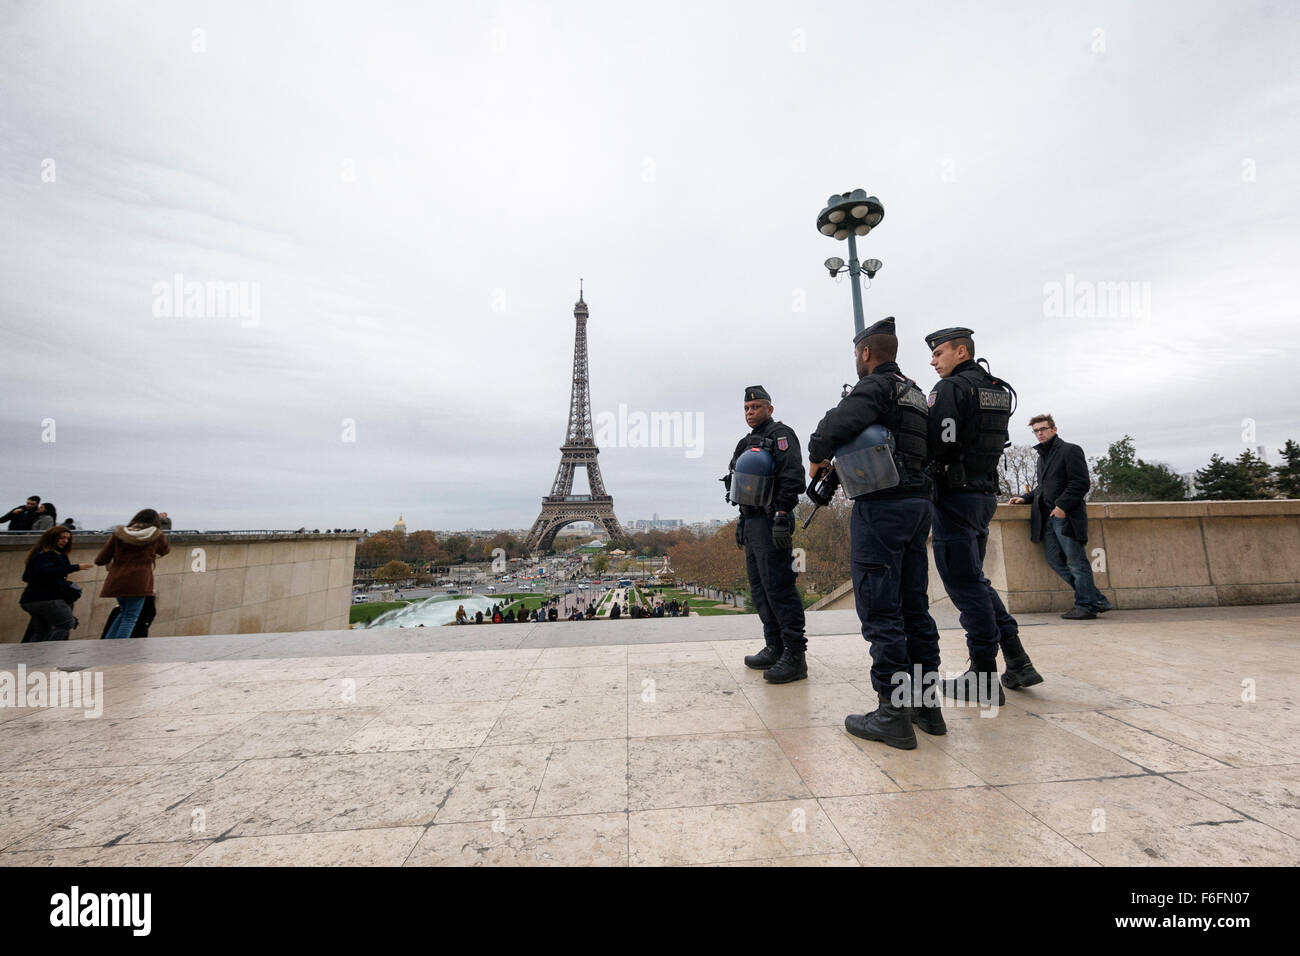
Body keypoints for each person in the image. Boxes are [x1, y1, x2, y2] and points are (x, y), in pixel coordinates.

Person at [809, 317, 944, 749]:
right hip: (918, 504)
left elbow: (835, 426)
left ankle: (891, 714)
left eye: (856, 354)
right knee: (914, 609)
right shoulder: (917, 392)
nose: (856, 360)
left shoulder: (877, 387)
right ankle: (925, 707)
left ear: (866, 353)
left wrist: (816, 453)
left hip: (882, 504)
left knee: (881, 612)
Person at [924, 327, 1032, 704]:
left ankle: (983, 677)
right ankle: (1017, 659)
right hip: (984, 493)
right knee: (976, 582)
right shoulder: (996, 388)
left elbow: (941, 440)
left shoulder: (951, 389)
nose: (933, 361)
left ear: (961, 351)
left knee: (965, 587)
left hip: (955, 495)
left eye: (939, 353)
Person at [727, 385, 808, 683]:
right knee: (759, 587)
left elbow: (792, 478)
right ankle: (774, 646)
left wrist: (783, 515)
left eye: (756, 407)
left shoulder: (782, 436)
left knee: (780, 587)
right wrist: (741, 520)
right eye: (747, 409)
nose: (751, 413)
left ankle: (795, 654)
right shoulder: (744, 443)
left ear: (770, 409)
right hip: (751, 522)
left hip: (772, 519)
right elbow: (739, 485)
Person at [1011, 414, 1111, 623]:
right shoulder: (1042, 457)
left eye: (1043, 429)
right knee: (1055, 560)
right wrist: (1025, 498)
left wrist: (1062, 507)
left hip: (1066, 516)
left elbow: (1080, 483)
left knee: (1076, 562)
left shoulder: (1070, 450)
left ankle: (1086, 606)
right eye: (1036, 430)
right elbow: (1043, 487)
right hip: (1046, 517)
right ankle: (1095, 599)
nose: (1040, 433)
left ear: (1054, 429)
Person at [95, 509, 170, 640]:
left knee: (124, 613)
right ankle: (119, 649)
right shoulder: (156, 535)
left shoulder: (119, 534)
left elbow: (100, 559)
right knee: (131, 617)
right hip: (139, 581)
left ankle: (107, 646)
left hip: (117, 579)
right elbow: (165, 550)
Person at [19, 527, 95, 642]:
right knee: (67, 624)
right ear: (52, 538)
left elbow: (27, 577)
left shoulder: (40, 553)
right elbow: (46, 572)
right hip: (48, 598)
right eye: (62, 538)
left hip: (30, 599)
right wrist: (75, 567)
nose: (65, 541)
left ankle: (29, 657)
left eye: (68, 539)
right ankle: (51, 654)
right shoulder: (48, 554)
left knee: (42, 631)